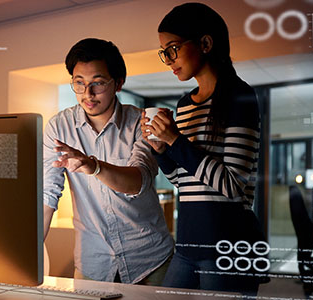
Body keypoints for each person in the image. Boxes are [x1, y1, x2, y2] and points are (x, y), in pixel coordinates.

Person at [141, 2, 266, 295]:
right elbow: (184, 182)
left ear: (206, 43)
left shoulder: (239, 96)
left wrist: (176, 142)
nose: (168, 59)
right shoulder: (184, 106)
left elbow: (233, 185)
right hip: (187, 241)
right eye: (164, 52)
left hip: (228, 245)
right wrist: (161, 150)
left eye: (173, 48)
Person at [43, 38, 174, 285]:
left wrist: (94, 167)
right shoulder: (59, 127)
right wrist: (29, 255)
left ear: (119, 83)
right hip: (93, 262)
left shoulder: (139, 123)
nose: (88, 94)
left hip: (150, 260)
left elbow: (139, 181)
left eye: (98, 83)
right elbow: (47, 195)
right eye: (79, 83)